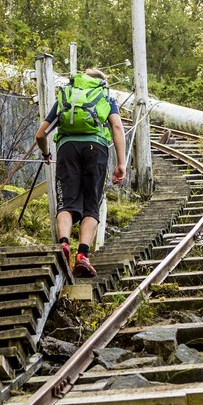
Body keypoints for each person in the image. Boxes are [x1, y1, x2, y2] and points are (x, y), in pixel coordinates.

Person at [35, 67, 127, 278]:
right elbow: (117, 128)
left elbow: (41, 134)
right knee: (91, 205)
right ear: (101, 83)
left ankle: (64, 245)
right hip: (96, 149)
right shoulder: (105, 96)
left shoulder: (66, 98)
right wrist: (121, 163)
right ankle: (82, 255)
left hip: (67, 150)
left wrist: (47, 154)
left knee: (66, 203)